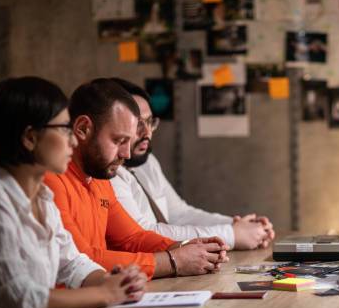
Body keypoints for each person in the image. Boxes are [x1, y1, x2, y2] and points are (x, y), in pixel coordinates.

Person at [0, 77, 156, 308]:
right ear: (29, 138)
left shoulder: (42, 198)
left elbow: (72, 261)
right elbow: (21, 300)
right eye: (64, 130)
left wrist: (111, 279)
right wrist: (105, 294)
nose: (75, 140)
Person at [44, 79, 229, 280]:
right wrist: (174, 260)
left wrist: (189, 247)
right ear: (82, 128)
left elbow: (132, 237)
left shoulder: (99, 176)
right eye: (118, 140)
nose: (127, 154)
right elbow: (81, 260)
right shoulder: (52, 178)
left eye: (128, 141)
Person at [108, 78, 275, 250]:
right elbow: (144, 234)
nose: (147, 133)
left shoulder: (146, 161)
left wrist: (240, 225)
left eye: (150, 122)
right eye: (137, 124)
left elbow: (179, 214)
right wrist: (231, 235)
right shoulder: (108, 173)